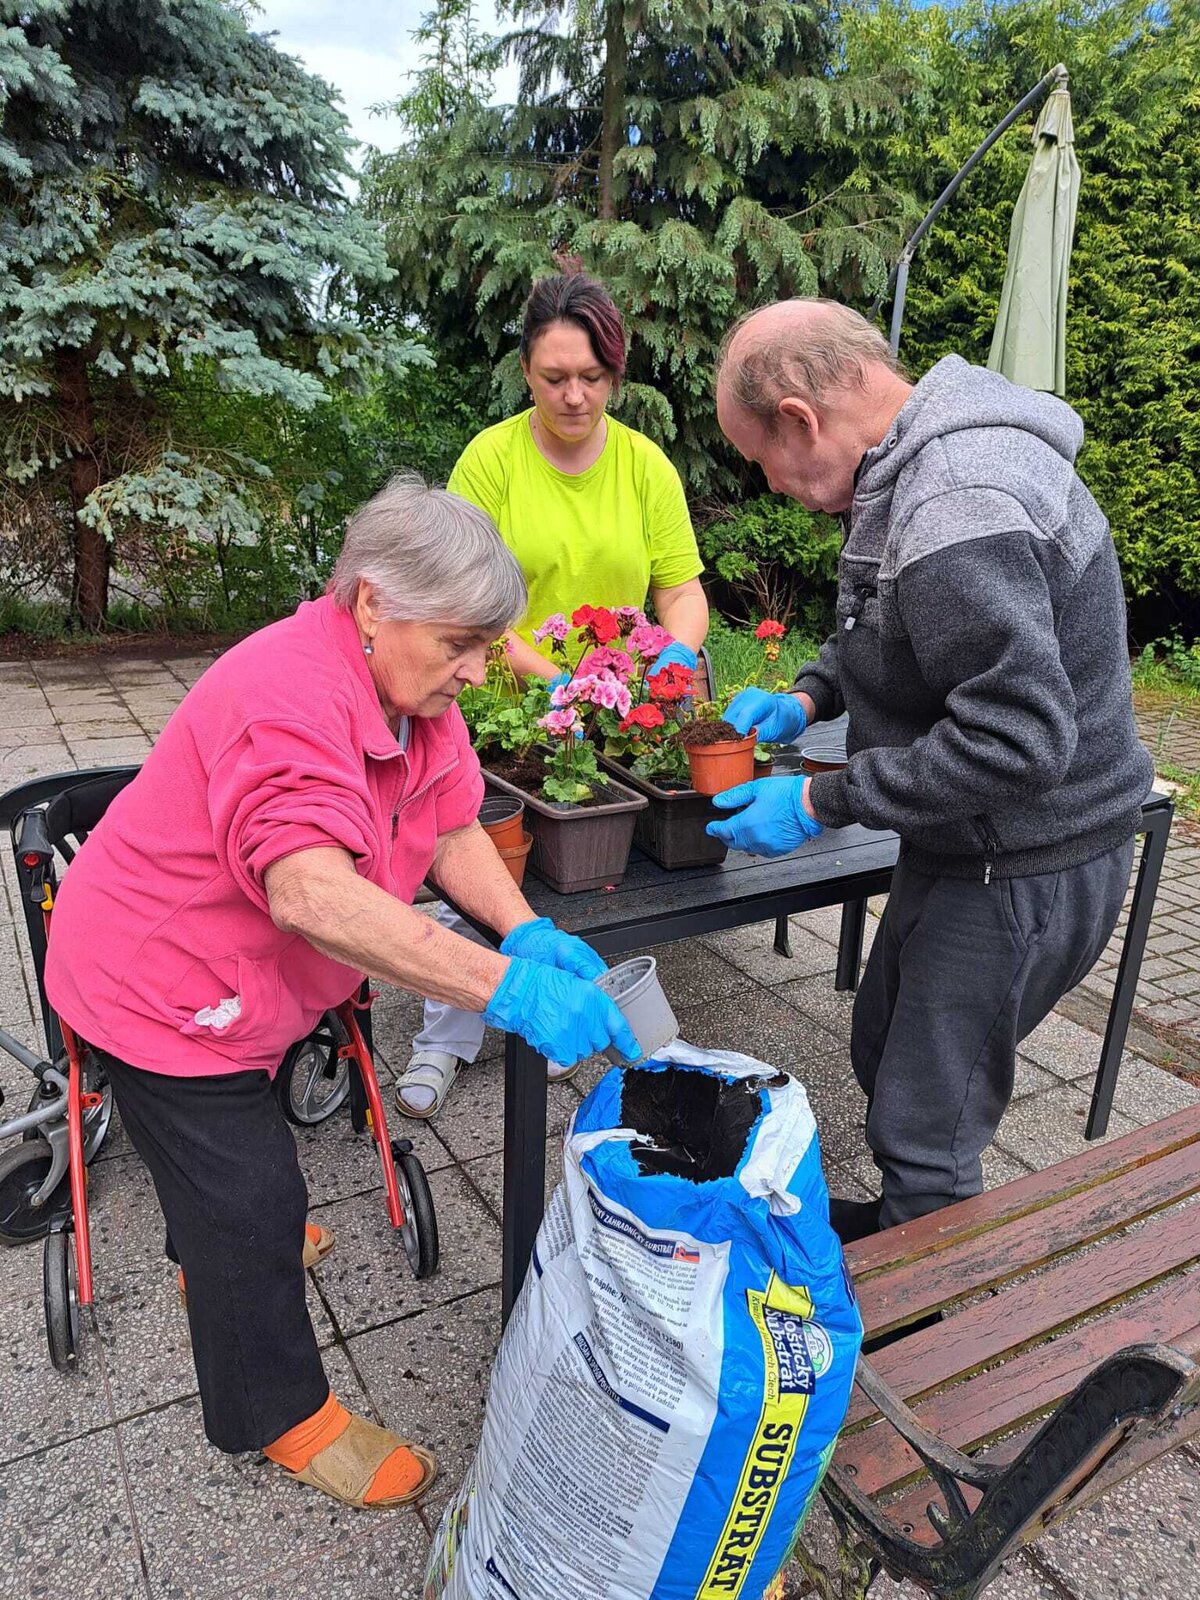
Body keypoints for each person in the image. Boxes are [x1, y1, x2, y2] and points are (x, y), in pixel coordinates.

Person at [43, 475, 640, 1508]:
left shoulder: (413, 693)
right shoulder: (286, 694)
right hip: (158, 984)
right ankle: (280, 1414)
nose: (478, 668)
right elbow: (310, 891)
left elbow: (451, 824)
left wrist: (526, 928)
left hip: (248, 984)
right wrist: (503, 988)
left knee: (232, 1192)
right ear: (372, 604)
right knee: (254, 1197)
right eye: (459, 643)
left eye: (486, 644)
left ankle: (217, 1255)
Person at [708, 298, 1153, 1241]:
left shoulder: (957, 499)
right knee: (883, 1046)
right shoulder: (901, 465)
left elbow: (1019, 741)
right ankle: (904, 1231)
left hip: (1029, 857)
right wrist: (809, 699)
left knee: (927, 1124)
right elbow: (890, 628)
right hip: (966, 839)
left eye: (760, 461)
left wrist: (821, 799)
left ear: (799, 419)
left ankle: (926, 1310)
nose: (772, 486)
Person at [397, 271, 708, 1118]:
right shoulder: (492, 461)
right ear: (525, 373)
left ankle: (569, 1014)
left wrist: (672, 656)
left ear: (616, 374)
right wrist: (555, 679)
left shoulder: (644, 466)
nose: (575, 395)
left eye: (593, 377)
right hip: (494, 703)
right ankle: (446, 1035)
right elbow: (462, 600)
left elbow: (680, 588)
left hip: (609, 708)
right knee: (479, 859)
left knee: (586, 872)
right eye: (555, 377)